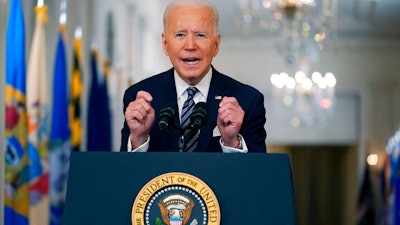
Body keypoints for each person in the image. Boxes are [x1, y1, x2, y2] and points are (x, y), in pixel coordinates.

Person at [120, 0, 267, 153]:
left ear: (216, 44)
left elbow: (258, 174)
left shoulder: (248, 101)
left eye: (200, 35)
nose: (190, 45)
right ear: (165, 44)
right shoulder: (139, 98)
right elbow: (125, 173)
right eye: (180, 35)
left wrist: (232, 142)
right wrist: (138, 138)